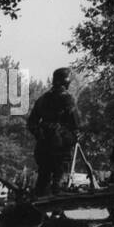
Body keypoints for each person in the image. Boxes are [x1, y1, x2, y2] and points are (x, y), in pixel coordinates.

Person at [27, 66, 80, 197]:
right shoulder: (67, 99)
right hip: (60, 146)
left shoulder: (42, 99)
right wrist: (71, 137)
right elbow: (76, 123)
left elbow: (31, 123)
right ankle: (57, 211)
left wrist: (41, 134)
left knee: (43, 178)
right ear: (65, 81)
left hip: (43, 146)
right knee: (59, 179)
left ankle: (38, 210)